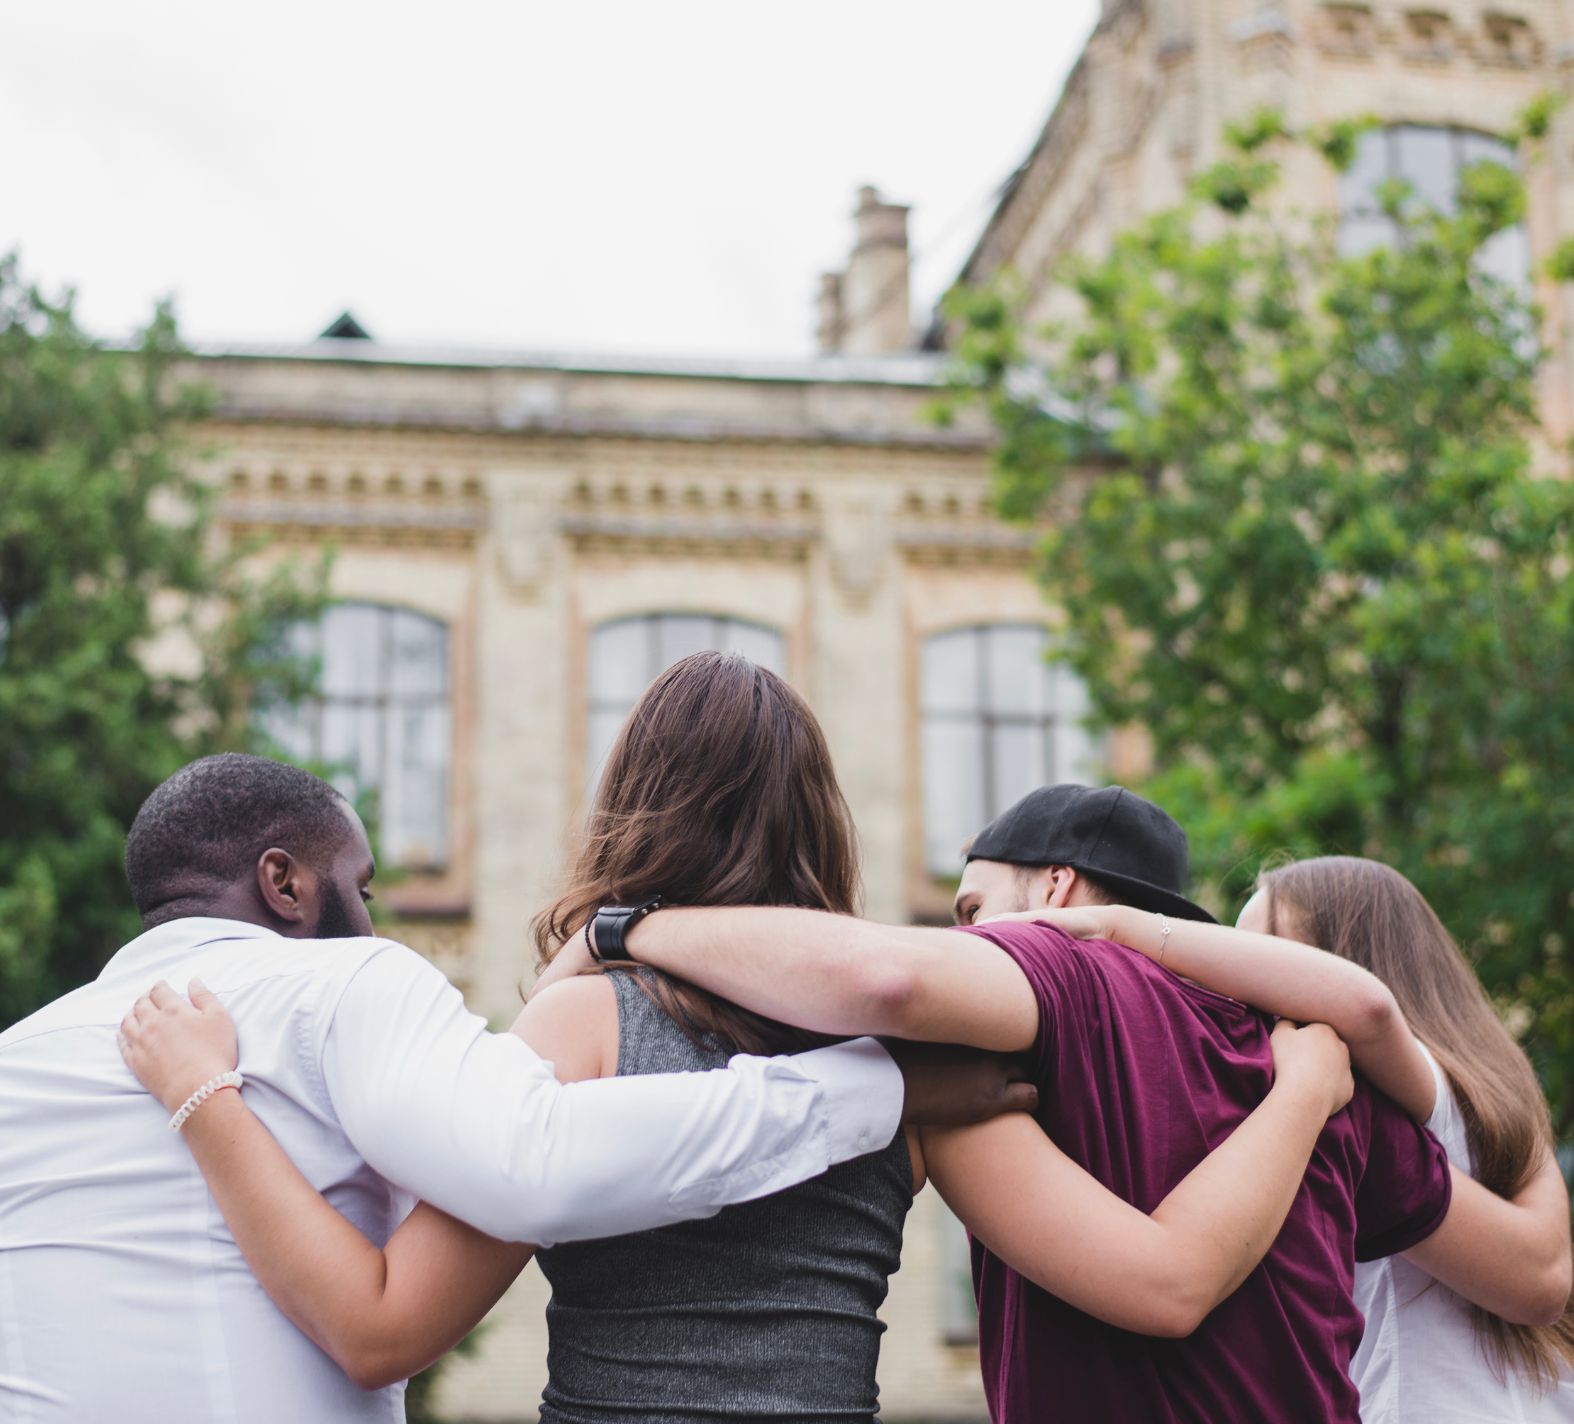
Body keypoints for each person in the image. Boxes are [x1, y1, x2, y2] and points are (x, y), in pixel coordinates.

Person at [118, 666, 1355, 1421]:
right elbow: (1158, 1280)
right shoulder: (921, 1070)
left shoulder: (578, 1020)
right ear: (819, 826)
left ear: (627, 808)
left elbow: (381, 1324)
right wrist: (1298, 1090)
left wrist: (208, 1098)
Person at [0, 751, 1024, 1423]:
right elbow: (534, 1158)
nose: (374, 919)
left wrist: (610, 941)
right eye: (361, 886)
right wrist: (879, 1089)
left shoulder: (21, 1059)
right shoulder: (343, 986)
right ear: (284, 883)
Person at [530, 783, 1572, 1424]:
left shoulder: (1028, 1006)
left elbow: (883, 980)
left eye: (974, 907)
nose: (967, 935)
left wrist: (625, 931)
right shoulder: (1316, 1054)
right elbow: (1532, 1272)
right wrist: (1303, 1093)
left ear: (1057, 891)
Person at [1034, 854, 1573, 1422]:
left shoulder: (1411, 1084)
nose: (1233, 992)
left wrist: (1121, 926)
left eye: (1256, 960)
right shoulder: (1487, 1090)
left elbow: (1368, 1008)